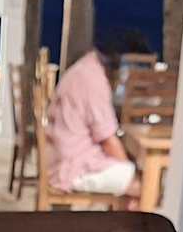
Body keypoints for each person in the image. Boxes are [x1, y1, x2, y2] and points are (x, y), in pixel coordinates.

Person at [45, 38, 141, 202]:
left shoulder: (84, 68)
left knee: (135, 175)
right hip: (71, 168)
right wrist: (131, 171)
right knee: (145, 185)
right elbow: (107, 141)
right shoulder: (93, 80)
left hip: (61, 157)